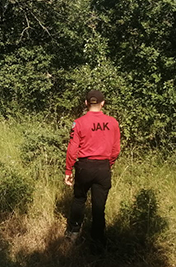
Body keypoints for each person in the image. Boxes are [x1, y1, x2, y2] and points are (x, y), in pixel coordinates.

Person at [64, 90, 121, 249]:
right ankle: (98, 240)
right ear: (103, 103)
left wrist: (68, 171)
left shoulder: (79, 122)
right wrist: (107, 164)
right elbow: (116, 149)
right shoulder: (113, 122)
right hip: (103, 166)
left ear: (86, 103)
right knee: (99, 206)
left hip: (85, 166)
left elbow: (72, 149)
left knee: (79, 199)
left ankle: (73, 233)